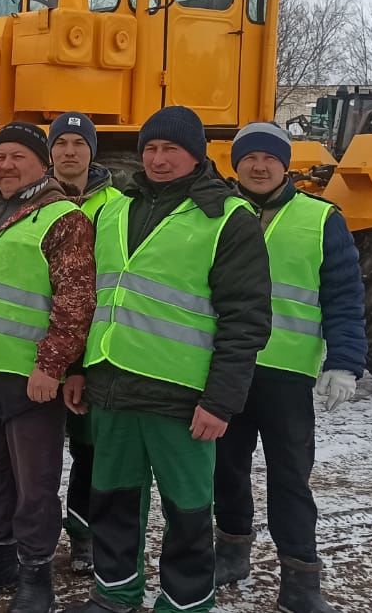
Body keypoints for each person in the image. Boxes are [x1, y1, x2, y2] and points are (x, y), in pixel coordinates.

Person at [65, 106, 270, 613]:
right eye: (151, 148)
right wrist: (75, 368)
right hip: (111, 387)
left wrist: (221, 401)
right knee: (111, 500)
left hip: (182, 397)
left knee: (188, 511)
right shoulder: (114, 209)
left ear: (196, 154)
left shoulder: (227, 217)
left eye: (170, 149)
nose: (158, 159)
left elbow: (246, 320)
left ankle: (185, 602)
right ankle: (114, 594)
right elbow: (89, 295)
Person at [0, 122, 96, 613]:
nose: (6, 165)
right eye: (0, 156)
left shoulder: (62, 218)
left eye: (18, 157)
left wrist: (51, 366)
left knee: (35, 485)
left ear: (42, 164)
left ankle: (35, 575)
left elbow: (76, 302)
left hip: (29, 381)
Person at [212, 123, 365, 613]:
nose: (259, 167)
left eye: (269, 158)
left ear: (285, 164)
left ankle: (300, 579)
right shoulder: (214, 213)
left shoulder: (321, 219)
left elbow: (344, 296)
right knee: (224, 470)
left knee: (291, 479)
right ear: (235, 164)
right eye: (249, 158)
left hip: (287, 375)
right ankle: (231, 553)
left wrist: (344, 362)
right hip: (226, 369)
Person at [47, 111, 120, 574]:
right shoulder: (32, 200)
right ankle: (26, 535)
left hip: (94, 352)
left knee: (90, 453)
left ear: (92, 151)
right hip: (39, 348)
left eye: (79, 142)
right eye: (61, 142)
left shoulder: (118, 206)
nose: (69, 150)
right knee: (35, 452)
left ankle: (83, 537)